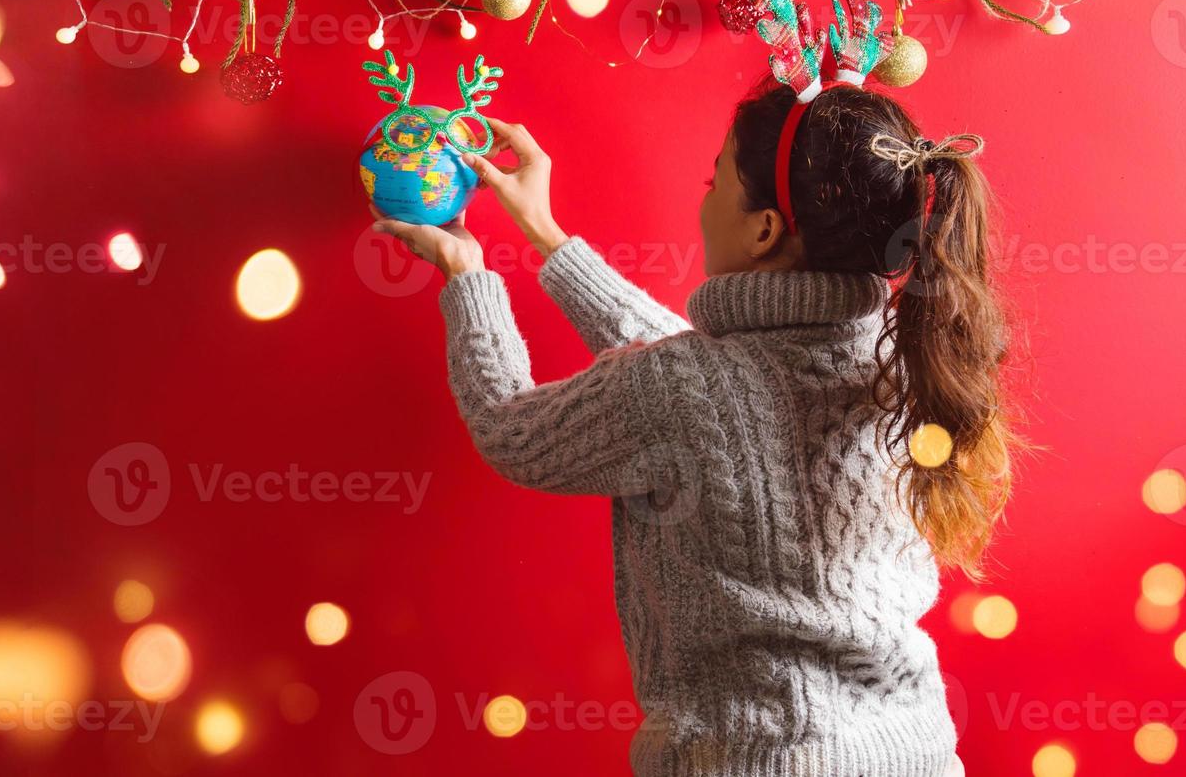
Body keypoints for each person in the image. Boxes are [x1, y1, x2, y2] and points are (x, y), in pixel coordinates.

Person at [374, 76, 1011, 776]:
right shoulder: (908, 361)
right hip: (913, 754)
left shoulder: (690, 387)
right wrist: (548, 239)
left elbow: (511, 431)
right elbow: (714, 390)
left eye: (713, 185)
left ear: (764, 230)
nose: (702, 202)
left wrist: (466, 274)